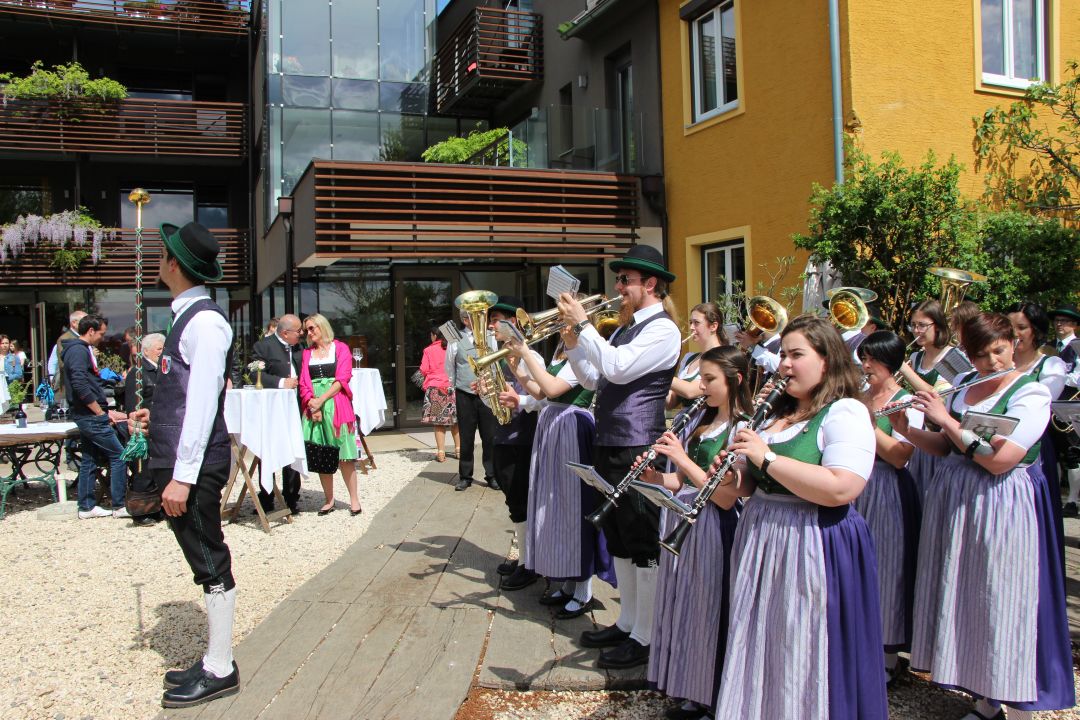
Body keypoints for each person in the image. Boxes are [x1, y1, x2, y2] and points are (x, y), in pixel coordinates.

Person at [895, 313, 1073, 719]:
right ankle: (983, 700)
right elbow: (944, 447)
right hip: (956, 500)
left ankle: (1015, 703)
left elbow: (1000, 461)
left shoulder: (1032, 393)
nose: (991, 362)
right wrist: (906, 427)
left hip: (1000, 502)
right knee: (966, 593)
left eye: (999, 350)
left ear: (1014, 344)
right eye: (980, 355)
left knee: (999, 596)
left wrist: (945, 419)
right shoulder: (963, 384)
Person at [711, 314, 888, 719]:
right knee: (764, 637)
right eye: (783, 355)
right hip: (763, 536)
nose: (785, 364)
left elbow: (842, 487)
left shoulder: (845, 412)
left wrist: (766, 458)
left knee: (805, 642)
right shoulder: (778, 414)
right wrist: (732, 474)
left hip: (813, 541)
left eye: (796, 355)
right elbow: (751, 486)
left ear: (827, 360)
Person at [130, 221, 240, 708]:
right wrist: (155, 414)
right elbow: (184, 397)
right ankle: (214, 658)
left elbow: (203, 404)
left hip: (192, 467)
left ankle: (221, 668)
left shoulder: (205, 323)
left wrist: (182, 476)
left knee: (210, 561)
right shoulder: (188, 318)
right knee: (203, 560)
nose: (159, 260)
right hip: (182, 461)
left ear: (173, 265)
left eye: (162, 254)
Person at [559, 244, 682, 670]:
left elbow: (618, 368)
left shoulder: (663, 330)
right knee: (619, 538)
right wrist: (573, 344)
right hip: (611, 441)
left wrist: (584, 325)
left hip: (638, 444)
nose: (618, 287)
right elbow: (594, 379)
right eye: (619, 279)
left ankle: (646, 637)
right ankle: (628, 622)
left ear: (651, 284)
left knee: (642, 539)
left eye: (625, 280)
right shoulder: (624, 330)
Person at [638, 346, 750, 720]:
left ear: (735, 380)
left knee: (710, 609)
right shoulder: (703, 421)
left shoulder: (743, 428)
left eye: (709, 379)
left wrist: (680, 457)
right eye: (701, 378)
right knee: (685, 604)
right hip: (683, 519)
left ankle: (714, 697)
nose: (701, 386)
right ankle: (692, 688)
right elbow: (682, 481)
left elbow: (724, 496)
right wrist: (655, 477)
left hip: (714, 526)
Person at [499, 305, 613, 606]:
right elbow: (540, 392)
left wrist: (525, 353)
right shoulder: (563, 351)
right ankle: (567, 581)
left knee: (573, 504)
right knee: (555, 506)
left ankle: (583, 588)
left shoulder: (585, 352)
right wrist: (517, 370)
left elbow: (551, 388)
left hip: (571, 426)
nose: (559, 325)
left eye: (564, 319)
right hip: (554, 424)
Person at [856, 331, 924, 684]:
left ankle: (887, 656)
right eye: (864, 358)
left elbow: (900, 455)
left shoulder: (907, 400)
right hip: (856, 484)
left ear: (891, 363)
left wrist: (867, 424)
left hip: (886, 486)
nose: (866, 366)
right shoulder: (859, 394)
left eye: (873, 360)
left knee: (885, 567)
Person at [483, 296, 541, 591]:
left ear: (513, 322)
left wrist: (519, 399)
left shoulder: (532, 357)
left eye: (496, 320)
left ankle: (530, 564)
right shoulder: (497, 356)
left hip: (523, 438)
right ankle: (525, 558)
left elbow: (544, 397)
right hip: (503, 435)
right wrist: (485, 392)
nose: (491, 326)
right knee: (513, 500)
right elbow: (494, 404)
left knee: (521, 501)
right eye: (491, 320)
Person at [63, 314, 130, 520]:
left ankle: (86, 506)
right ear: (91, 331)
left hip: (88, 413)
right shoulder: (78, 351)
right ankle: (119, 505)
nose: (103, 337)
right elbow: (80, 384)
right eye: (101, 333)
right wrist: (99, 412)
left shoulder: (80, 349)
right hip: (90, 415)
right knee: (119, 455)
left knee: (90, 459)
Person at [299, 313, 362, 516]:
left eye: (312, 328)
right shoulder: (307, 353)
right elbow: (303, 381)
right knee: (321, 452)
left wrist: (321, 400)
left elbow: (343, 378)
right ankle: (329, 499)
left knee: (345, 454)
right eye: (307, 330)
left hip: (336, 405)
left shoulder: (340, 348)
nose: (309, 333)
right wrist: (312, 403)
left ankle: (354, 499)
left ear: (322, 326)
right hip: (314, 407)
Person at [252, 313, 303, 514]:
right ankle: (266, 498)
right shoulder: (263, 346)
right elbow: (255, 374)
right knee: (268, 451)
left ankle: (291, 498)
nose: (301, 333)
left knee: (292, 448)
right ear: (285, 333)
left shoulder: (299, 347)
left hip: (295, 406)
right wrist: (281, 383)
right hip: (272, 409)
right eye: (298, 331)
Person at [445, 307, 497, 491]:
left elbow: (495, 362)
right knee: (466, 436)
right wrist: (456, 387)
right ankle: (465, 476)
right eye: (474, 316)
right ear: (465, 320)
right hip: (464, 393)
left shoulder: (491, 335)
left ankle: (492, 475)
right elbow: (449, 366)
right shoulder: (454, 338)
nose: (480, 318)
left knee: (489, 436)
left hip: (488, 393)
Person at [120, 333, 164, 527]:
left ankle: (156, 507)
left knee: (156, 471)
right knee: (142, 470)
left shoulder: (161, 370)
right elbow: (132, 406)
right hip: (143, 429)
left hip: (158, 428)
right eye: (159, 349)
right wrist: (137, 432)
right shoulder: (137, 374)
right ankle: (140, 512)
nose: (162, 352)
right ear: (146, 351)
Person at [667, 302, 726, 408]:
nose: (691, 327)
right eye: (691, 322)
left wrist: (660, 374)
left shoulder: (721, 358)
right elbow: (671, 402)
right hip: (686, 418)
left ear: (713, 326)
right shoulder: (689, 358)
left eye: (696, 323)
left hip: (708, 417)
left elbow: (690, 391)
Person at [419, 326, 459, 463]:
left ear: (434, 335)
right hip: (452, 387)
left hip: (436, 388)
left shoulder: (428, 350)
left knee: (438, 423)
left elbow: (424, 369)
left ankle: (441, 453)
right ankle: (458, 450)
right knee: (455, 421)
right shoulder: (452, 348)